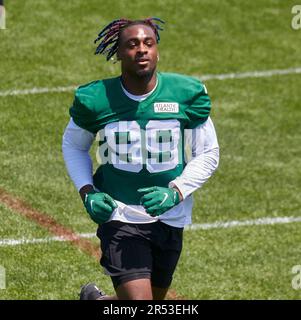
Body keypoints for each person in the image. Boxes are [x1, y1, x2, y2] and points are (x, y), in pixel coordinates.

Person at [62, 17, 219, 300]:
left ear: (157, 50)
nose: (141, 50)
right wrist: (87, 192)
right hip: (119, 213)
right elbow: (73, 145)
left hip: (169, 216)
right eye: (132, 44)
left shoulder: (186, 95)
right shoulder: (97, 98)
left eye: (149, 43)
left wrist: (177, 192)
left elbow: (208, 153)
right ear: (119, 53)